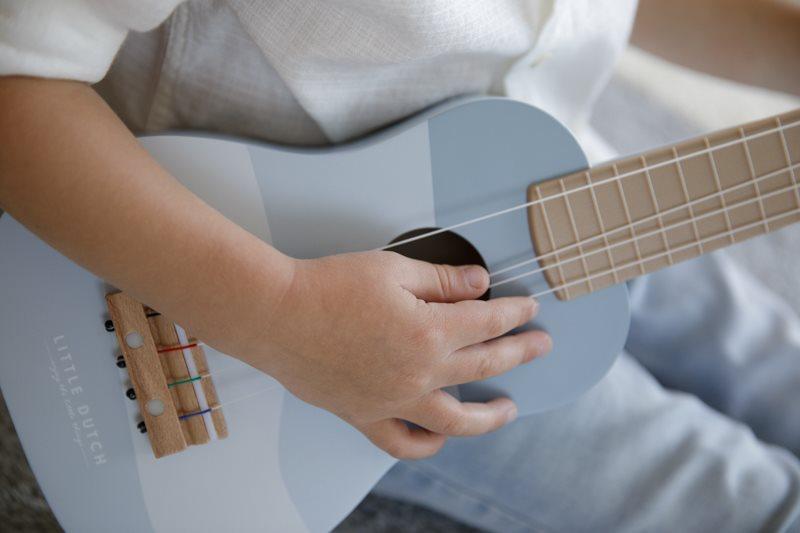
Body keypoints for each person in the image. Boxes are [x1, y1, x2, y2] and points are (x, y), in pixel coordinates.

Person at [1, 1, 799, 531]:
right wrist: (281, 319)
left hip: (551, 175)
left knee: (774, 354)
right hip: (281, 336)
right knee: (747, 499)